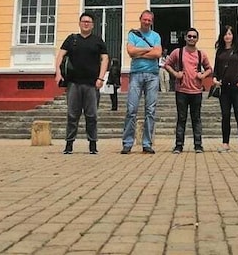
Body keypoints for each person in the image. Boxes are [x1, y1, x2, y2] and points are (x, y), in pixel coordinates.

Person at [55, 13, 109, 155]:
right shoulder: (72, 39)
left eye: (89, 22)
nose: (86, 24)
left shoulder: (98, 41)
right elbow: (60, 55)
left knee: (92, 116)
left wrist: (101, 78)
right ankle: (69, 144)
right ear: (79, 23)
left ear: (92, 25)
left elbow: (105, 59)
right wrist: (58, 73)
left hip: (92, 84)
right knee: (72, 115)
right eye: (84, 21)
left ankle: (92, 144)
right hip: (74, 83)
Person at [163, 28, 212, 153]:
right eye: (189, 36)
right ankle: (179, 145)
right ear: (185, 38)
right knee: (181, 118)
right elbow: (167, 64)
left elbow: (209, 68)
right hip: (181, 90)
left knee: (196, 119)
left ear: (197, 39)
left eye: (194, 37)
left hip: (196, 91)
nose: (191, 38)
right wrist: (175, 73)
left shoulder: (201, 54)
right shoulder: (177, 52)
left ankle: (198, 145)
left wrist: (203, 75)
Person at [121, 10, 162, 154]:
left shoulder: (156, 36)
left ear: (152, 21)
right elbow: (131, 52)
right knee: (131, 110)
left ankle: (147, 143)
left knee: (150, 110)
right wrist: (148, 49)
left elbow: (158, 53)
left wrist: (140, 52)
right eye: (145, 19)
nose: (147, 22)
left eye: (149, 20)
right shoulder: (133, 34)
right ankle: (127, 143)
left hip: (152, 75)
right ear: (140, 19)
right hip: (136, 75)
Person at [212, 25, 238, 153]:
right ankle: (225, 143)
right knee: (225, 115)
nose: (228, 36)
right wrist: (215, 80)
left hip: (237, 88)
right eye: (226, 34)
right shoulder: (220, 52)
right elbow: (216, 70)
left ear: (233, 36)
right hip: (224, 89)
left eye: (230, 34)